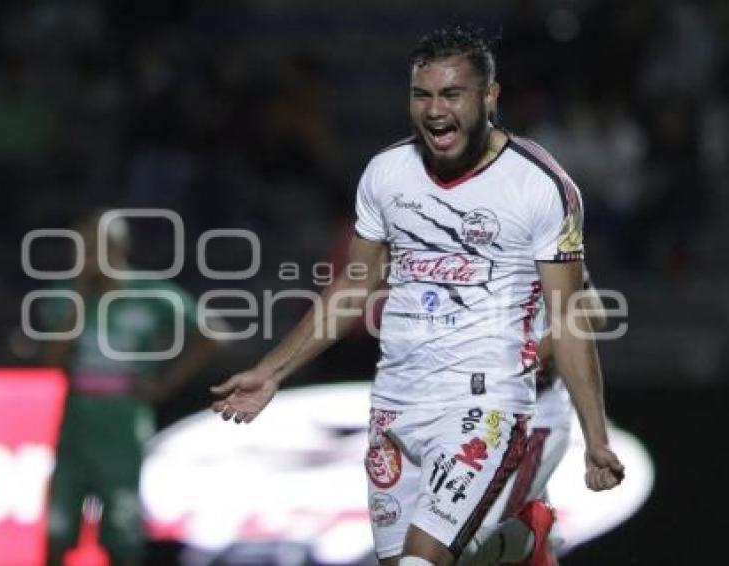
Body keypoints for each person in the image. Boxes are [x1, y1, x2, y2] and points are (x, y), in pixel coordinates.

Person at [211, 26, 624, 566]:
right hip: (396, 403)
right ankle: (519, 541)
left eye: (451, 94)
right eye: (422, 95)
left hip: (486, 402)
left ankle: (514, 539)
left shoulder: (539, 185)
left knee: (421, 561)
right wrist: (271, 372)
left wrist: (595, 436)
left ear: (488, 98)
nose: (434, 110)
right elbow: (354, 286)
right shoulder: (387, 174)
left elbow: (570, 316)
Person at [40, 209, 216, 566]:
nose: (86, 255)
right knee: (57, 534)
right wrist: (78, 298)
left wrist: (168, 382)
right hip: (75, 430)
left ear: (118, 248)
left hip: (123, 430)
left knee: (123, 539)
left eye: (94, 246)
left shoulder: (151, 293)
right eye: (82, 247)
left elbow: (212, 333)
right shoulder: (66, 296)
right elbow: (51, 362)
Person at [459, 273, 607, 566]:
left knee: (457, 546)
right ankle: (528, 537)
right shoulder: (441, 242)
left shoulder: (542, 237)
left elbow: (593, 312)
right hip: (466, 415)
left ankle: (526, 536)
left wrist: (522, 362)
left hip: (531, 418)